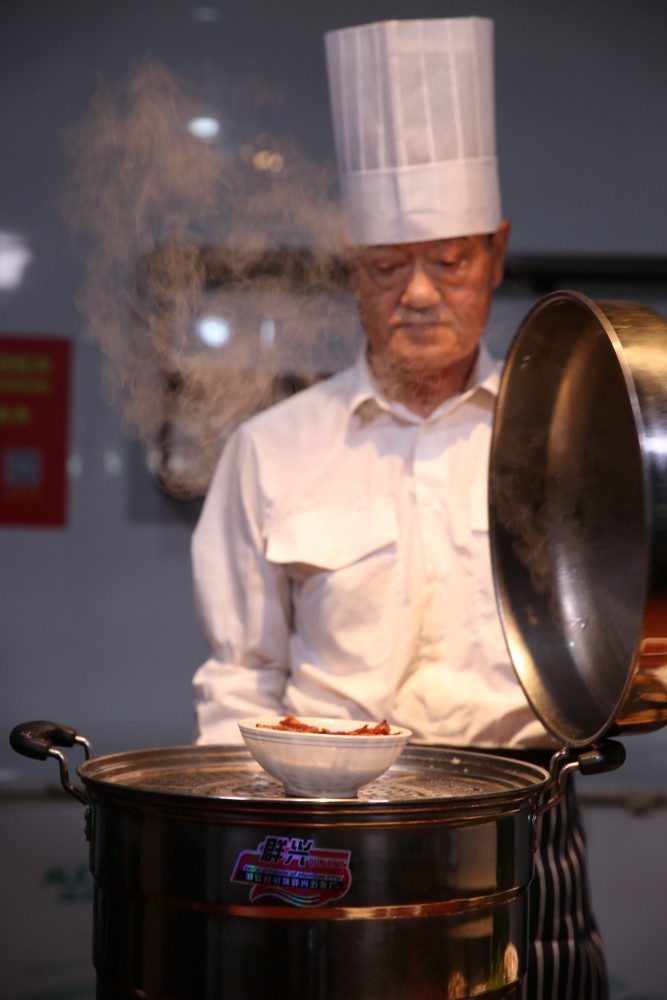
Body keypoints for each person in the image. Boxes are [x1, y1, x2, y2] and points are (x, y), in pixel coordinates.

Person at [191, 17, 607, 998]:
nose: (418, 293)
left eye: (449, 260)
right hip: (321, 831)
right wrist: (251, 829)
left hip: (522, 823)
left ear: (497, 253)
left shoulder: (566, 442)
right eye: (386, 264)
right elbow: (241, 673)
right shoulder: (271, 447)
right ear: (350, 266)